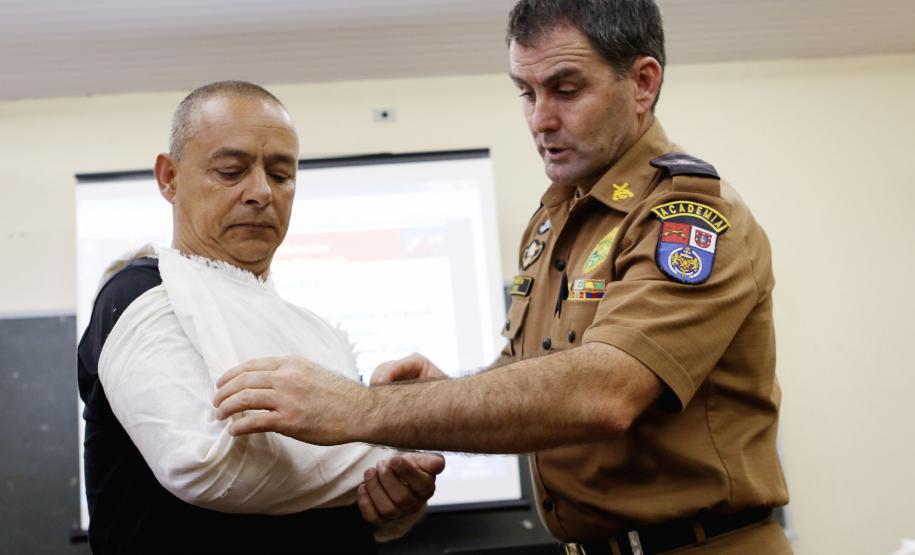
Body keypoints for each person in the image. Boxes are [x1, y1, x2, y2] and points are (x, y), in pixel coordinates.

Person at [213, 1, 792, 553]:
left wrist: (356, 409)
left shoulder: (688, 218)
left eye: (566, 90)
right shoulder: (555, 220)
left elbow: (603, 392)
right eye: (526, 91)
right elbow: (539, 379)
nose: (540, 118)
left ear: (642, 83)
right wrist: (438, 392)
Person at [77, 80, 444, 555]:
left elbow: (331, 499)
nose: (260, 192)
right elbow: (210, 469)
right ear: (169, 177)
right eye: (230, 171)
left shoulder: (314, 333)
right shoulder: (137, 295)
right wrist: (394, 441)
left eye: (281, 174)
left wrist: (394, 500)